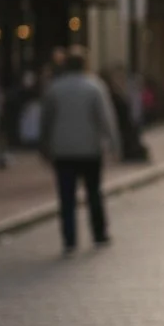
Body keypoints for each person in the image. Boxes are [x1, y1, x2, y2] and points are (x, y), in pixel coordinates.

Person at [40, 49, 120, 255]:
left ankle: (69, 239)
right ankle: (99, 233)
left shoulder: (54, 88)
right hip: (89, 149)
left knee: (66, 196)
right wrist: (113, 144)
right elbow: (105, 117)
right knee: (94, 192)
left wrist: (45, 145)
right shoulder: (94, 86)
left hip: (63, 150)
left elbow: (46, 120)